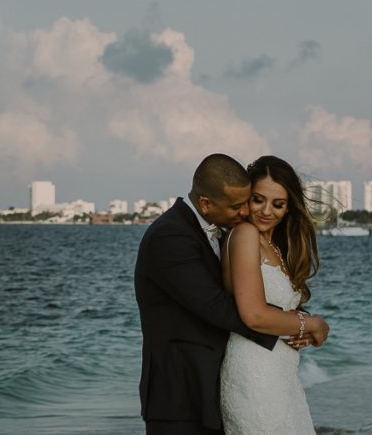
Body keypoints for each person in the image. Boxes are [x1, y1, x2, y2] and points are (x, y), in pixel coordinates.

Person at [135, 154, 330, 435]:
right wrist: (300, 324)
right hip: (180, 393)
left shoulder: (225, 232)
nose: (245, 212)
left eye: (277, 203)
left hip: (223, 383)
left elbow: (239, 295)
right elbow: (220, 307)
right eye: (241, 204)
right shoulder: (170, 236)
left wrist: (294, 322)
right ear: (206, 203)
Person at [219, 155, 323, 434]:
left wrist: (300, 324)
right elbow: (253, 314)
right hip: (255, 378)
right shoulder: (244, 234)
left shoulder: (274, 244)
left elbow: (276, 310)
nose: (267, 211)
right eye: (258, 200)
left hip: (282, 377)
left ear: (289, 207)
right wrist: (312, 324)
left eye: (278, 204)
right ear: (246, 198)